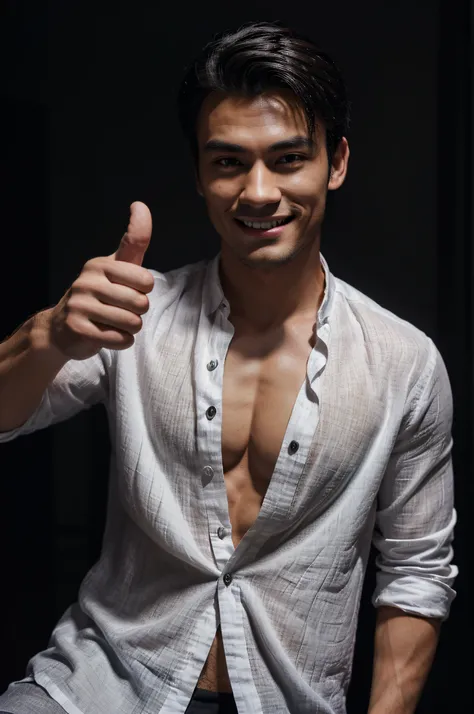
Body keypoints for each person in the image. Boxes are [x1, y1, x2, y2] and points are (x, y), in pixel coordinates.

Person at [0, 20, 457, 714]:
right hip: (99, 685)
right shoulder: (137, 318)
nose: (258, 192)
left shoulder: (405, 364)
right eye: (228, 163)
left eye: (287, 159)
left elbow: (417, 574)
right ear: (200, 174)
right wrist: (51, 333)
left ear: (335, 162)